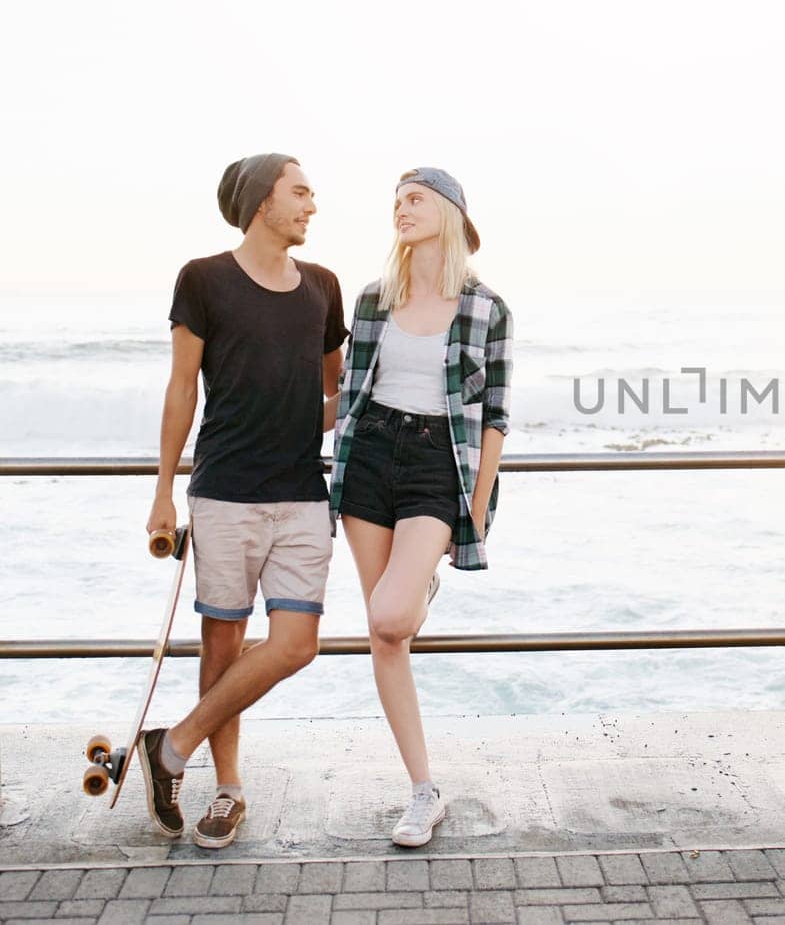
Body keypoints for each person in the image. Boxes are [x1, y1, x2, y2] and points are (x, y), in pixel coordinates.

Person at [141, 153, 348, 849]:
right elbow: (181, 389)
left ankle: (171, 746)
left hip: (301, 495)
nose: (312, 205)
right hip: (225, 492)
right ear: (263, 201)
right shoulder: (202, 280)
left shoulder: (323, 287)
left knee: (297, 644)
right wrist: (164, 493)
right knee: (223, 643)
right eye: (301, 192)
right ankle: (226, 791)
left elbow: (332, 395)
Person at [328, 166, 512, 846]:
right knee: (385, 635)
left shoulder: (487, 309)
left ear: (450, 213)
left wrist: (476, 509)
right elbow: (348, 392)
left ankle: (420, 578)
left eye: (415, 200)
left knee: (392, 611)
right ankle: (422, 790)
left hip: (439, 465)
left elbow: (495, 417)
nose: (401, 210)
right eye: (396, 202)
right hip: (370, 456)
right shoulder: (374, 299)